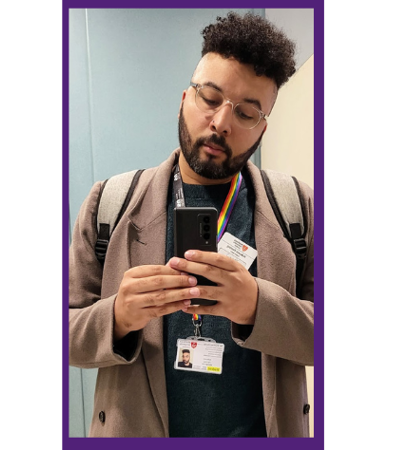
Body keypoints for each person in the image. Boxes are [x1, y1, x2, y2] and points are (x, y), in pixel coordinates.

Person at [69, 12, 314, 437]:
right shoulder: (108, 204)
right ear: (185, 98)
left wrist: (258, 306)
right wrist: (118, 316)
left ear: (262, 129)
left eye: (246, 113)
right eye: (211, 98)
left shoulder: (298, 206)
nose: (221, 123)